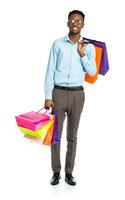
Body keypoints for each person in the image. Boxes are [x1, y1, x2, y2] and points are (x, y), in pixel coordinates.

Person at [44, 10, 96, 186]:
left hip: (77, 94)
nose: (75, 23)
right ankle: (56, 172)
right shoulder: (57, 44)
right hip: (58, 94)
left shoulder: (88, 47)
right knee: (55, 136)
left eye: (79, 21)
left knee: (72, 136)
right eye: (72, 20)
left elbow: (92, 72)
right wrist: (47, 96)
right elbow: (50, 70)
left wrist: (82, 54)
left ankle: (69, 173)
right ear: (67, 24)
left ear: (83, 24)